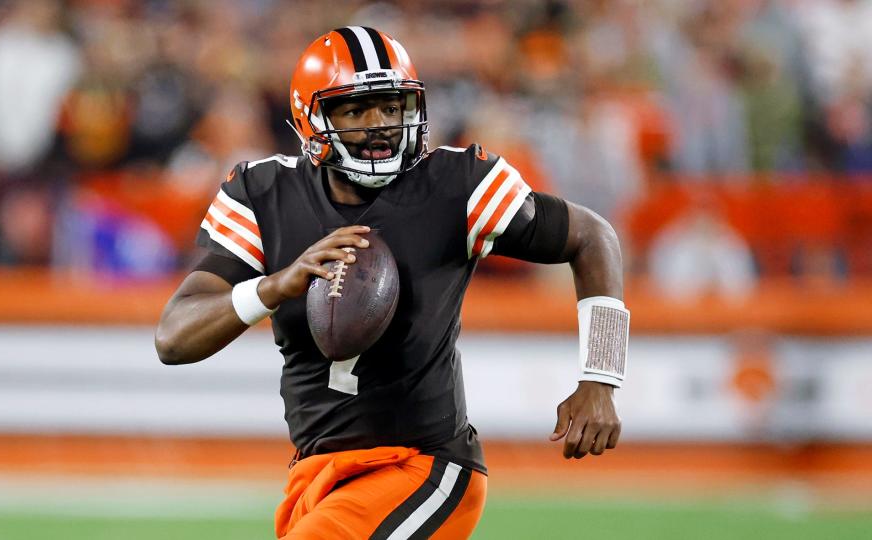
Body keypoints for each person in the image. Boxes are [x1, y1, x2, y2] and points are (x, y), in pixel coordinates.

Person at [155, 26, 628, 540]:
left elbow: (593, 236)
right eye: (356, 111)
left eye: (390, 106)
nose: (379, 125)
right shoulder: (263, 193)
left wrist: (601, 375)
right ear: (311, 119)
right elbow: (174, 338)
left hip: (424, 466)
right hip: (318, 472)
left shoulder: (456, 185)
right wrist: (274, 286)